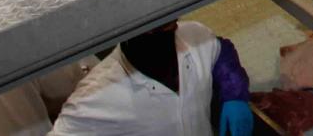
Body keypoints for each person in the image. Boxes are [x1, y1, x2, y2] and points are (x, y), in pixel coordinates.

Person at [48, 20, 251, 135]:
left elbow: (220, 51)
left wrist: (234, 95)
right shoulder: (95, 96)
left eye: (168, 25)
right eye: (151, 29)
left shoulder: (191, 36)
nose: (164, 31)